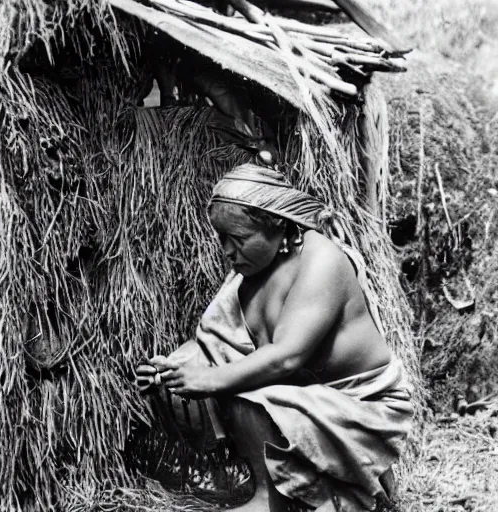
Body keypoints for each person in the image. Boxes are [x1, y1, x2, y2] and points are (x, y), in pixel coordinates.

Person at [136, 163, 413, 512]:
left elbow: (286, 357)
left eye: (238, 239)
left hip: (360, 406)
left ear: (278, 226)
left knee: (244, 394)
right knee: (197, 379)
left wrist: (207, 378)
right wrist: (171, 370)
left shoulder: (322, 260)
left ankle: (272, 501)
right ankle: (258, 484)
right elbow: (216, 344)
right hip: (299, 394)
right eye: (221, 238)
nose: (226, 251)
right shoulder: (248, 273)